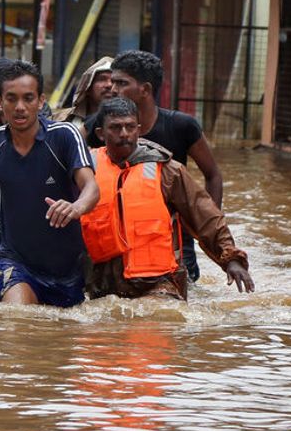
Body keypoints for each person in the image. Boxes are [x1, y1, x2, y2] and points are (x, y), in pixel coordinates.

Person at [0, 61, 99, 307]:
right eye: (11, 99)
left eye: (28, 98)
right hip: (17, 264)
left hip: (67, 270)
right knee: (16, 323)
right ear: (0, 102)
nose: (20, 107)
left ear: (41, 101)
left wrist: (76, 207)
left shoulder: (64, 135)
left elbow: (91, 187)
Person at [81, 98, 253, 300]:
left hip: (158, 282)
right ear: (101, 133)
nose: (124, 134)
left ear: (138, 129)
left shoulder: (167, 170)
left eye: (129, 127)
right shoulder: (84, 169)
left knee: (159, 317)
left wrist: (231, 258)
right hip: (101, 283)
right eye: (116, 128)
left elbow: (205, 215)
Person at [109, 50, 223, 282]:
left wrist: (206, 227)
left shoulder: (181, 126)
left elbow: (213, 175)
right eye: (112, 82)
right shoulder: (102, 129)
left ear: (146, 90)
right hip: (122, 238)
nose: (112, 90)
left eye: (121, 83)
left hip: (176, 237)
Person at [51, 56, 115, 144]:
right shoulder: (62, 120)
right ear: (87, 88)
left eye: (114, 80)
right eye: (102, 79)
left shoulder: (132, 123)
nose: (109, 85)